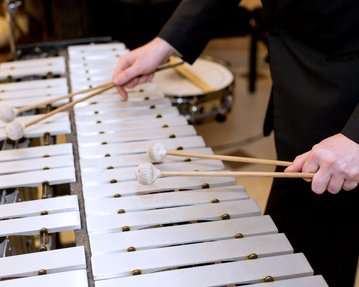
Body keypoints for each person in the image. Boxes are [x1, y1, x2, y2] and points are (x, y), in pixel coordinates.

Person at [112, 1, 359, 286]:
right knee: (290, 256)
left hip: (347, 103)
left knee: (324, 257)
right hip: (302, 102)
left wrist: (356, 137)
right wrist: (166, 42)